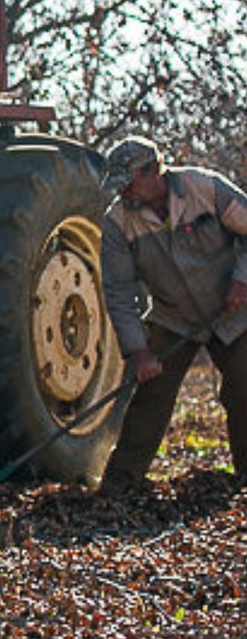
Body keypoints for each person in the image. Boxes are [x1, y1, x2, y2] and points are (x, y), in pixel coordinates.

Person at [98, 136, 247, 492]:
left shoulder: (205, 188)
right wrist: (138, 351)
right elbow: (119, 292)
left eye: (129, 183)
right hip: (173, 318)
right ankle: (121, 486)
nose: (123, 193)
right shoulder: (117, 222)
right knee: (150, 397)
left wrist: (243, 279)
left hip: (234, 312)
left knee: (244, 388)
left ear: (153, 171)